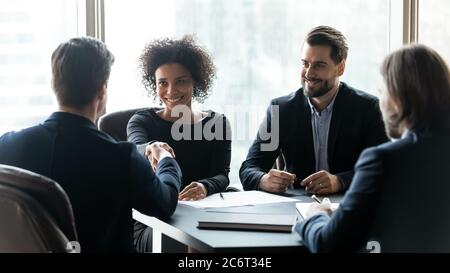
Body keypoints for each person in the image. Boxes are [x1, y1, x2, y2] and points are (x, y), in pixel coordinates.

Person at [0, 37, 182, 252]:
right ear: (102, 90)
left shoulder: (7, 146)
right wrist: (165, 159)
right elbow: (165, 203)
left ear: (54, 84)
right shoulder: (121, 158)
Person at [296, 44, 450, 252]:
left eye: (382, 91)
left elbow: (328, 245)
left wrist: (315, 215)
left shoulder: (383, 161)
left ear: (397, 98)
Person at [239, 26, 388, 194]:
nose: (309, 73)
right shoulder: (281, 110)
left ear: (340, 68)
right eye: (305, 63)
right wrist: (263, 180)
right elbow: (249, 168)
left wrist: (340, 181)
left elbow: (383, 168)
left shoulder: (369, 109)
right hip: (295, 210)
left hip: (350, 206)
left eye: (319, 65)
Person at [127, 35, 231, 252]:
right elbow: (135, 147)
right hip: (153, 221)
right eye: (162, 83)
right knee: (181, 244)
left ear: (195, 81)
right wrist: (151, 147)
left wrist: (204, 186)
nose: (171, 91)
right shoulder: (142, 121)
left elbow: (222, 174)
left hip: (201, 215)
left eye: (181, 81)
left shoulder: (217, 123)